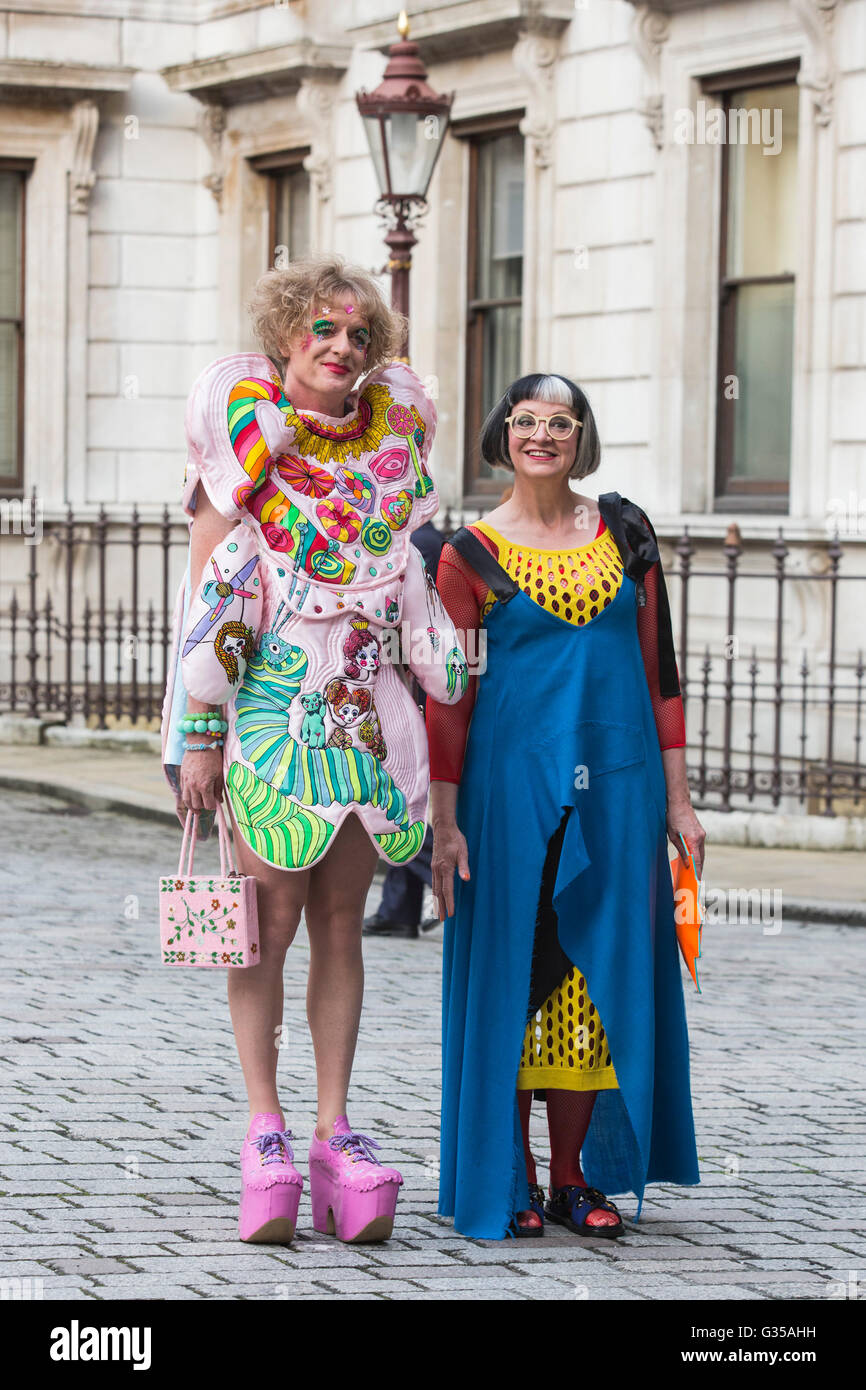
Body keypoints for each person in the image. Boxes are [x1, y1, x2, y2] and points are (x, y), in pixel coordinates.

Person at [160, 255, 467, 1245]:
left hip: (368, 732)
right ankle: (265, 1130)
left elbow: (416, 607)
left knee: (344, 921)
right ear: (286, 339)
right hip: (268, 732)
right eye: (322, 332)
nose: (341, 349)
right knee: (263, 922)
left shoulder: (387, 464)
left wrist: (451, 667)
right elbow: (211, 604)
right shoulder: (245, 462)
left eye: (358, 337)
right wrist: (196, 735)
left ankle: (335, 1126)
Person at [427, 373, 705, 1240]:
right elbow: (449, 693)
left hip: (619, 789)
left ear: (581, 436)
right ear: (501, 433)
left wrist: (681, 802)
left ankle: (573, 1178)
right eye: (526, 421)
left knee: (593, 979)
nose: (541, 436)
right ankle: (506, 1176)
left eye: (559, 422)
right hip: (507, 793)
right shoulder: (465, 555)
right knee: (514, 972)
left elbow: (661, 671)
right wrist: (443, 821)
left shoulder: (625, 530)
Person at [364, 519, 444, 939]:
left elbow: (418, 627)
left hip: (411, 686)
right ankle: (399, 908)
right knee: (401, 795)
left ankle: (455, 880)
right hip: (415, 682)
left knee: (391, 803)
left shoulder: (415, 542)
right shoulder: (418, 536)